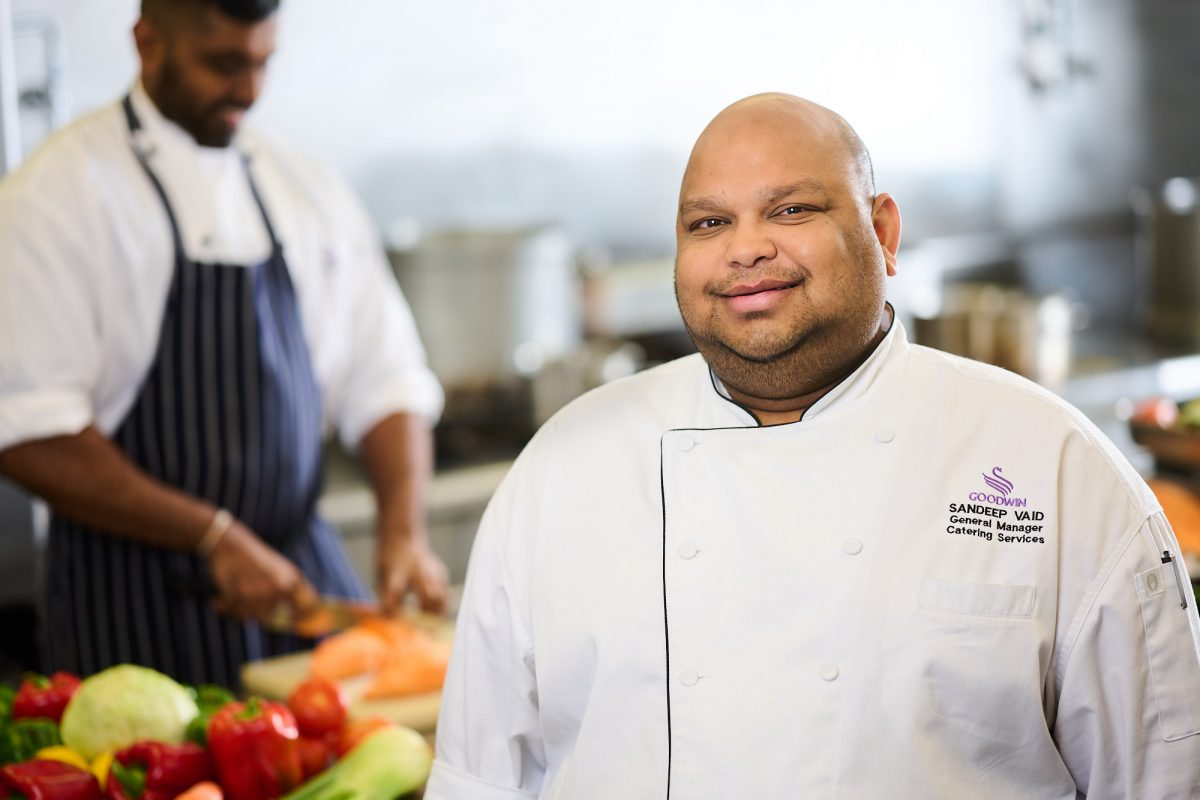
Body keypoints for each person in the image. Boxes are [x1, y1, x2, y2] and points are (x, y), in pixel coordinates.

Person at [425, 93, 1200, 798]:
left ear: (884, 232)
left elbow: (1161, 777)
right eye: (708, 223)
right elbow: (479, 780)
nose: (745, 249)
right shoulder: (564, 468)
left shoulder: (1054, 467)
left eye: (791, 210)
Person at [0, 0, 448, 688]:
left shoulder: (306, 189)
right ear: (147, 44)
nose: (249, 90)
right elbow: (30, 429)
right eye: (223, 64)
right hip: (130, 614)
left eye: (263, 62)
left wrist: (402, 530)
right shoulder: (53, 199)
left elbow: (384, 379)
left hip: (300, 592)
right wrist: (210, 535)